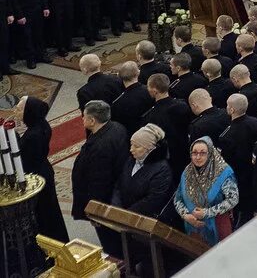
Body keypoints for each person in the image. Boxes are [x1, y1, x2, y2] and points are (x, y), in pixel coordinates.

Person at [72, 100, 129, 257]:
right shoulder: (117, 127)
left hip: (104, 202)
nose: (82, 119)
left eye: (83, 116)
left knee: (110, 239)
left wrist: (95, 210)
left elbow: (99, 181)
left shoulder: (100, 146)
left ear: (92, 120)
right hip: (114, 191)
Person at [15, 96, 69, 242]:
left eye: (20, 109)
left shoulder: (33, 135)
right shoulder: (41, 124)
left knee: (44, 212)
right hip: (44, 169)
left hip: (37, 175)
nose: (16, 112)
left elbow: (26, 158)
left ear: (29, 111)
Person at [174, 137, 239, 245]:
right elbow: (178, 199)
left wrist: (207, 213)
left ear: (210, 153)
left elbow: (233, 199)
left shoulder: (223, 172)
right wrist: (185, 215)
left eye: (203, 153)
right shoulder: (187, 172)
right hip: (192, 228)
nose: (198, 157)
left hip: (218, 227)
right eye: (194, 153)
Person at [218, 93, 257, 227]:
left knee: (242, 215)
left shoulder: (226, 136)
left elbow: (226, 165)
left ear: (232, 109)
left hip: (240, 180)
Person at [112, 124, 174, 217]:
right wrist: (116, 207)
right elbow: (119, 185)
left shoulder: (162, 170)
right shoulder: (131, 160)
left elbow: (153, 200)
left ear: (150, 148)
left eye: (137, 146)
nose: (131, 149)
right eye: (131, 144)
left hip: (141, 219)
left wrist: (126, 214)